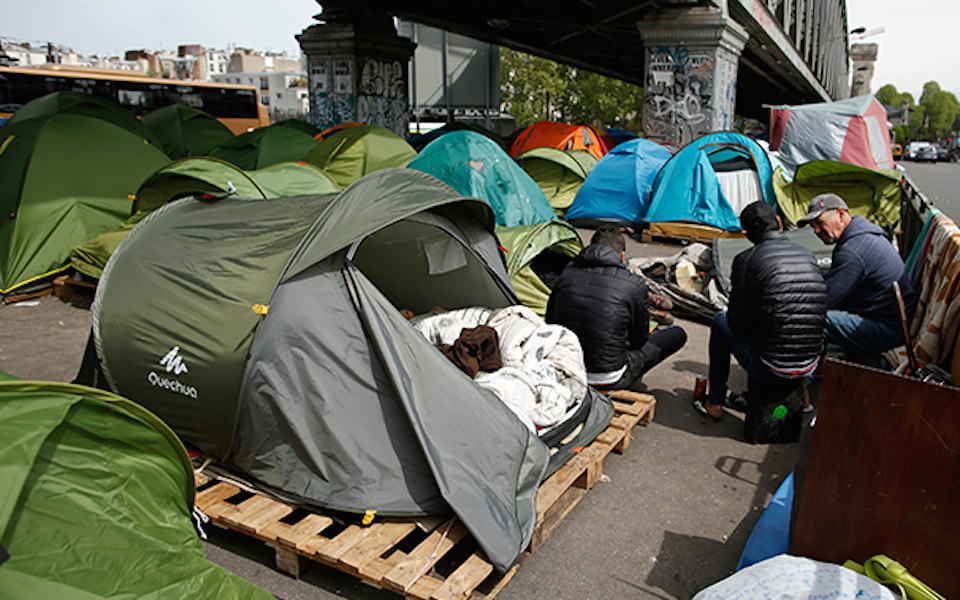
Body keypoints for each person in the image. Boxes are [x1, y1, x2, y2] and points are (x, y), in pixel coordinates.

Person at [694, 201, 827, 421]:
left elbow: (736, 323)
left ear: (747, 235)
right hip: (810, 365)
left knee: (720, 321)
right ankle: (804, 399)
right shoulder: (807, 255)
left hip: (773, 367)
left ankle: (715, 402)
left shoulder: (746, 260)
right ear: (779, 223)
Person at [546, 224, 687, 390]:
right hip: (606, 376)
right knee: (677, 334)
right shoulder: (634, 283)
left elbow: (551, 321)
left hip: (566, 368)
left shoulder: (566, 275)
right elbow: (639, 340)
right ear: (622, 255)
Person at [797, 193, 916, 368]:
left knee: (814, 320)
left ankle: (802, 376)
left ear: (841, 214)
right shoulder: (863, 236)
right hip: (892, 320)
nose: (816, 231)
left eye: (820, 223)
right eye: (813, 226)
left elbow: (826, 300)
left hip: (889, 330)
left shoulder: (854, 250)